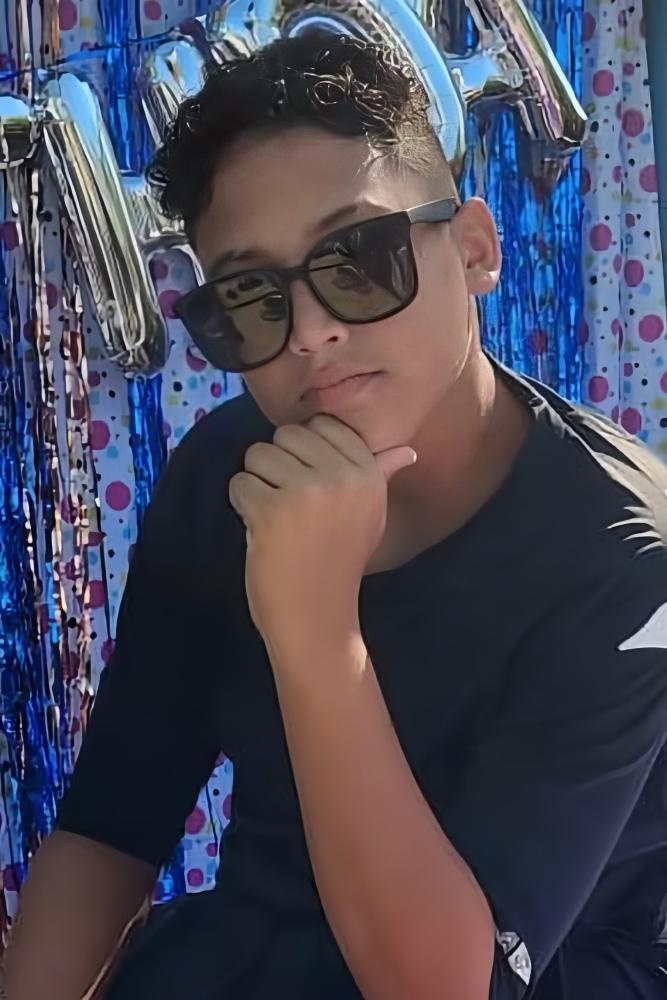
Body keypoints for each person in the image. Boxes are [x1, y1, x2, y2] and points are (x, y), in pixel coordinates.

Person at [5, 32, 667, 1000]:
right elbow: (110, 828)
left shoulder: (622, 557)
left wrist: (316, 633)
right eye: (252, 298)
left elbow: (445, 985)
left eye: (358, 259)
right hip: (260, 947)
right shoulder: (229, 473)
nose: (312, 331)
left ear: (474, 250)